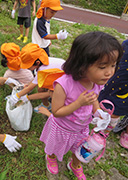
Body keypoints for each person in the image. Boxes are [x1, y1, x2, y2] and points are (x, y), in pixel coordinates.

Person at [39, 31, 123, 179]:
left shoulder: (95, 81)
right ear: (82, 65)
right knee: (55, 146)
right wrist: (78, 103)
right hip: (62, 128)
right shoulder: (64, 84)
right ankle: (51, 157)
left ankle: (75, 164)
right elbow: (57, 111)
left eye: (113, 65)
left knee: (80, 148)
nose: (109, 72)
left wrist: (97, 111)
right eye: (103, 67)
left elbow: (93, 98)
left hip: (82, 127)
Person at [9, 43, 65, 113]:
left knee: (51, 94)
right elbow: (35, 80)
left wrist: (18, 96)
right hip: (58, 77)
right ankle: (46, 104)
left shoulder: (43, 70)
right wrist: (29, 84)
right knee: (40, 88)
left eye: (28, 66)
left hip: (65, 88)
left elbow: (30, 88)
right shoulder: (44, 60)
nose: (26, 68)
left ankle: (49, 106)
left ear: (37, 63)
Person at [98, 39, 128, 149]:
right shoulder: (125, 46)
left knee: (118, 110)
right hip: (116, 82)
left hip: (124, 93)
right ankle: (100, 123)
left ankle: (105, 131)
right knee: (107, 104)